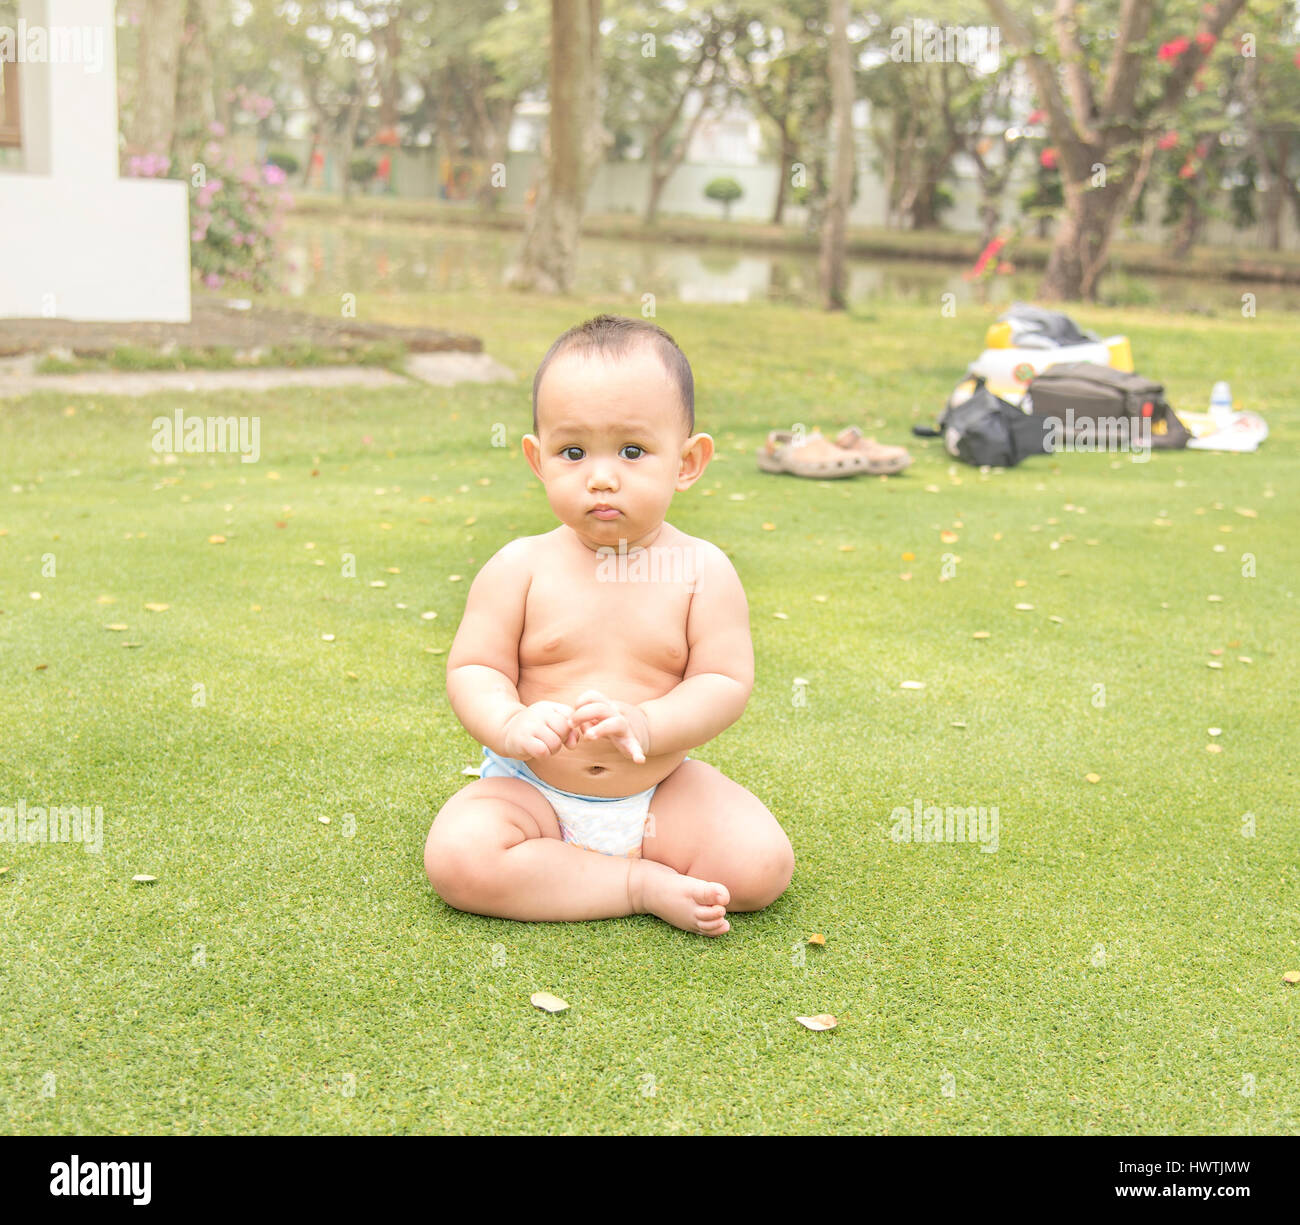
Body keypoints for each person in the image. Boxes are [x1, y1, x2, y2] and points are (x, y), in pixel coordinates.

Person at [424, 315, 794, 936]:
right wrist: (510, 722)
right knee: (460, 857)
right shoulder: (520, 566)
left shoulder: (702, 571)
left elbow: (723, 681)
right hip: (532, 792)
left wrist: (650, 721)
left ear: (687, 461)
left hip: (658, 792)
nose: (601, 475)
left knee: (759, 867)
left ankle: (590, 868)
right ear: (538, 460)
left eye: (632, 451)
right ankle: (634, 883)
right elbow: (475, 668)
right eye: (573, 452)